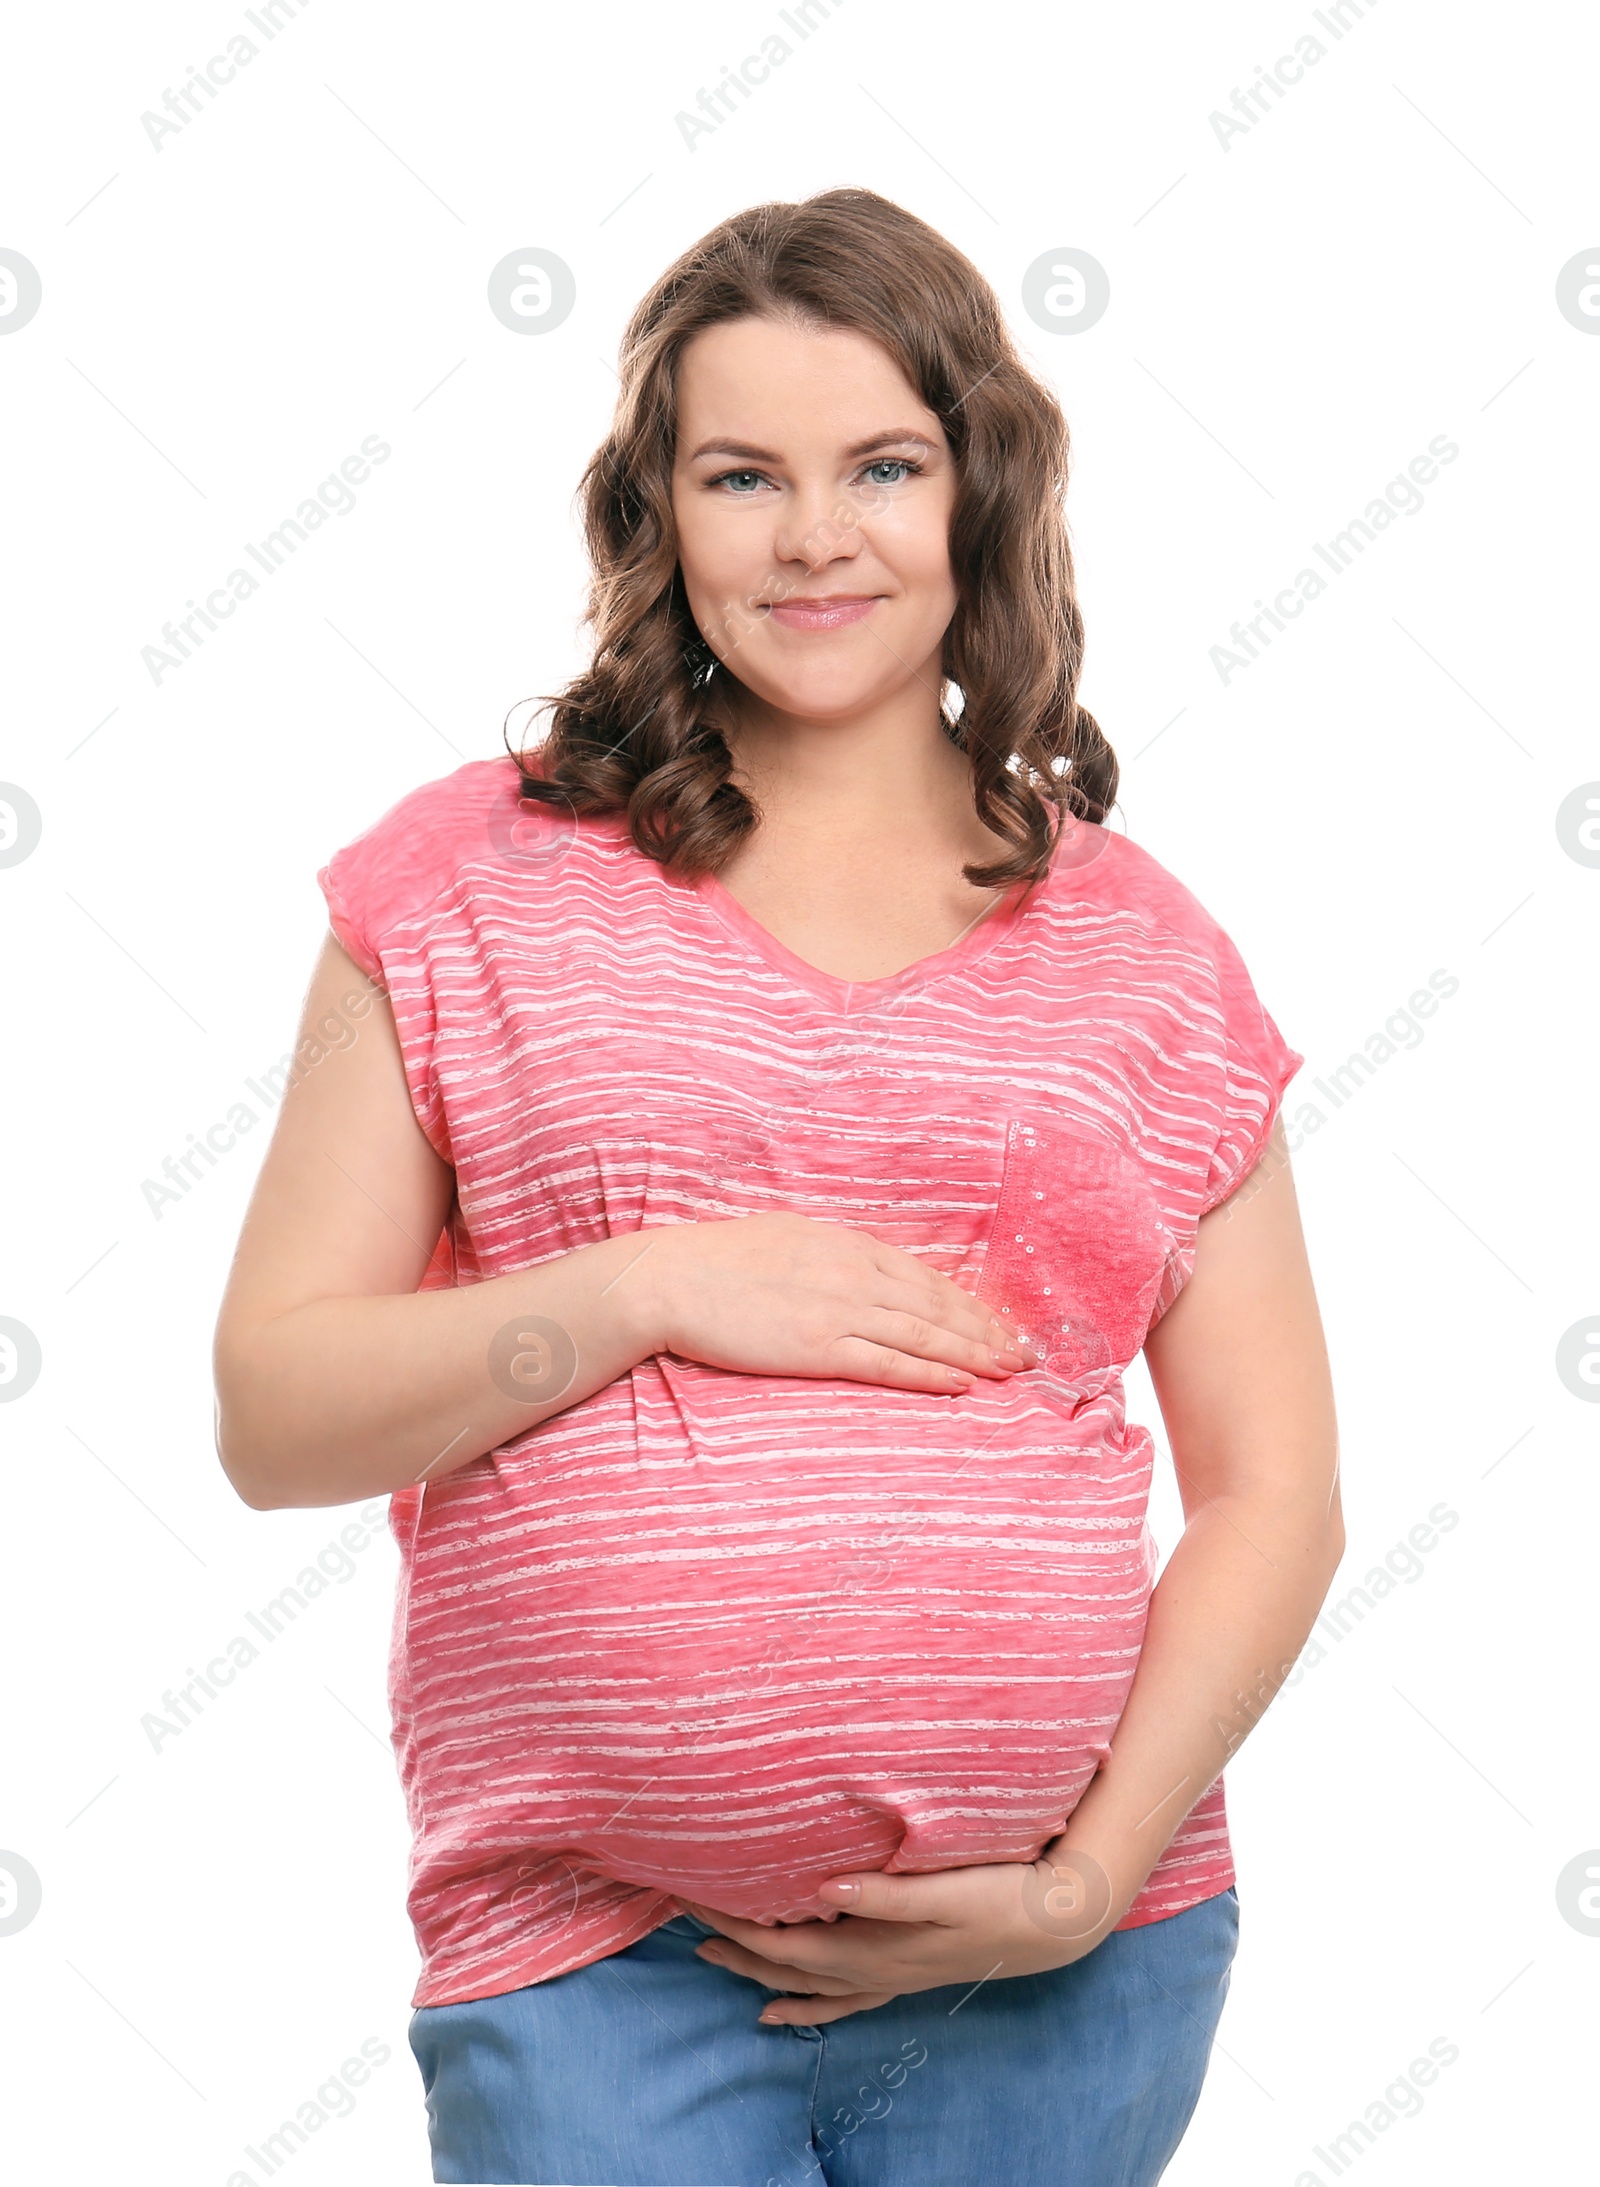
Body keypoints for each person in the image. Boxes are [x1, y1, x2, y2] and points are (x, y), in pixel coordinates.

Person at [213, 186, 1342, 2187]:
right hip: (597, 1959)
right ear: (656, 515)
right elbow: (273, 1408)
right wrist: (651, 1282)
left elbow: (1272, 1486)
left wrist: (1081, 1881)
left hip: (1064, 1974)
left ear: (976, 493)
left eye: (879, 466)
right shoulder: (457, 882)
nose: (814, 536)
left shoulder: (1147, 950)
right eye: (743, 474)